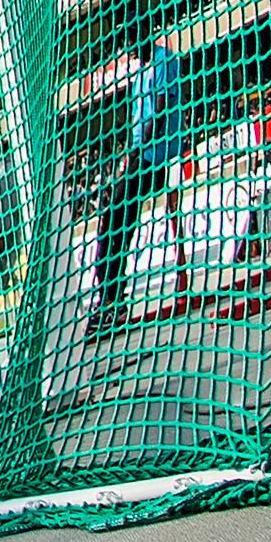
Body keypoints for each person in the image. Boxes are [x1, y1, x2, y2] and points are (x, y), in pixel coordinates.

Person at [86, 40, 184, 335]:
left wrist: (135, 153)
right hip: (141, 154)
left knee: (113, 222)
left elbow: (162, 110)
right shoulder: (141, 69)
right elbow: (139, 120)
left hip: (154, 156)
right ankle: (111, 299)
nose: (127, 51)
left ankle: (110, 302)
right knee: (115, 225)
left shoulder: (163, 60)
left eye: (130, 42)